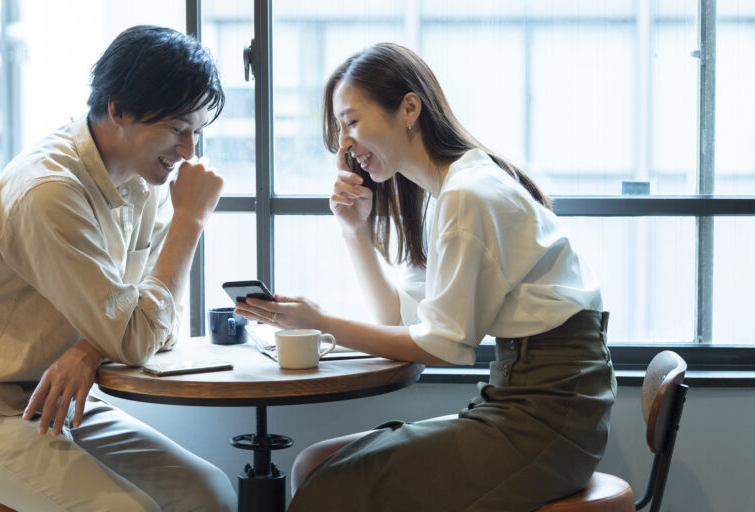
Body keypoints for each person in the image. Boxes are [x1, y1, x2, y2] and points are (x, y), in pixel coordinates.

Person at [235, 42, 616, 512]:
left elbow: (442, 345)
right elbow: (395, 317)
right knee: (313, 465)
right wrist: (356, 230)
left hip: (547, 419)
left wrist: (321, 321)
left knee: (331, 487)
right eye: (338, 130)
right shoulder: (449, 195)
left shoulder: (467, 195)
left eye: (351, 122)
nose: (343, 145)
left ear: (409, 108)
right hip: (522, 403)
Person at [0, 26, 237, 511]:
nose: (189, 151)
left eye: (198, 132)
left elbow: (158, 329)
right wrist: (191, 219)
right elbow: (138, 334)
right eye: (177, 128)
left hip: (53, 395)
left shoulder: (141, 180)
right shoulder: (49, 193)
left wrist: (87, 348)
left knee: (209, 495)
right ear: (118, 110)